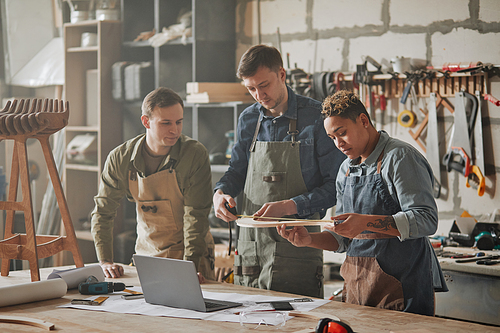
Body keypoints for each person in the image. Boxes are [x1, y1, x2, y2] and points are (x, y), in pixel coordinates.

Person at [278, 90, 448, 315]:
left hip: (402, 290)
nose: (338, 143)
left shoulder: (399, 158)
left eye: (342, 133)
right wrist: (309, 239)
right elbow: (344, 239)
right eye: (332, 138)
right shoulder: (346, 170)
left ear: (364, 121)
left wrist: (365, 223)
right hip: (358, 288)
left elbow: (426, 220)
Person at [213, 44, 345, 298]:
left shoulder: (317, 118)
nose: (259, 95)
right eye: (251, 88)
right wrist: (220, 193)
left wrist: (290, 206)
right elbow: (236, 170)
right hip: (251, 248)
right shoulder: (248, 119)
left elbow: (335, 188)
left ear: (282, 75)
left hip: (298, 245)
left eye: (264, 85)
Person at [91, 87, 215, 282]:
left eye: (179, 122)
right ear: (146, 121)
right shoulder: (120, 158)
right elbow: (103, 212)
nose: (175, 130)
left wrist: (189, 265)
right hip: (146, 256)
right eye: (166, 123)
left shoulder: (194, 155)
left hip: (190, 256)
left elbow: (196, 216)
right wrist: (105, 260)